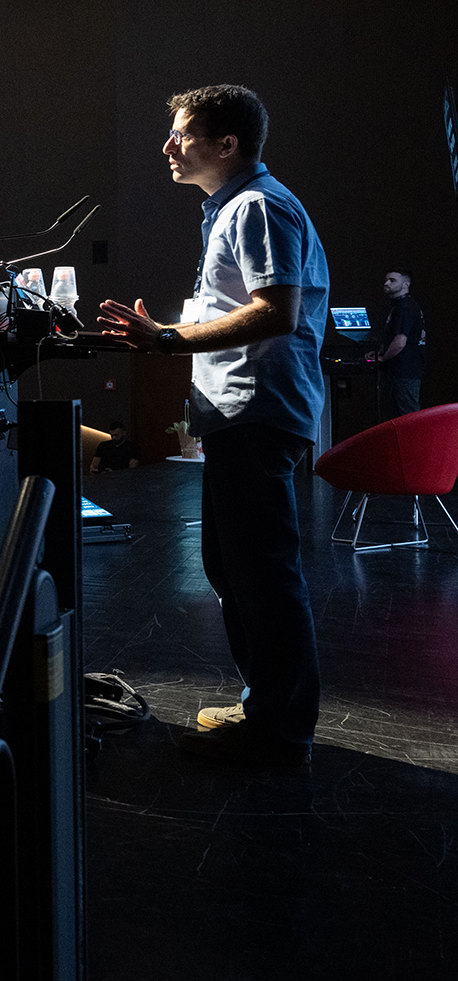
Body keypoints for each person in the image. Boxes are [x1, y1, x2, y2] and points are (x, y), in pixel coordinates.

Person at [93, 86, 329, 764]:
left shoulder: (256, 206)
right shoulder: (235, 207)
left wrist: (167, 338)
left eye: (183, 133)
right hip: (242, 416)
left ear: (227, 144)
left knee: (262, 575)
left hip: (258, 413)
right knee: (234, 568)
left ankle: (280, 731)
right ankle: (267, 711)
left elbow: (275, 311)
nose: (168, 146)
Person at [372, 268, 425, 418]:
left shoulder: (405, 308)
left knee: (408, 416)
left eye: (392, 280)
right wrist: (380, 351)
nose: (386, 283)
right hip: (404, 370)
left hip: (404, 371)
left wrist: (383, 358)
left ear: (406, 284)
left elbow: (400, 342)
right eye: (386, 280)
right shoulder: (402, 307)